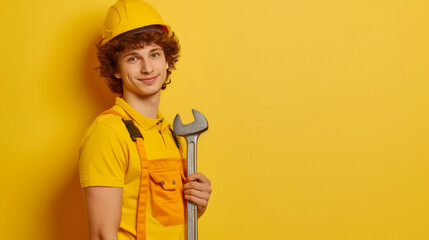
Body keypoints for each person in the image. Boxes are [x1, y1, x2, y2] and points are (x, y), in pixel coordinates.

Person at [79, 0, 212, 239]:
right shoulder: (108, 133)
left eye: (154, 54)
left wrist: (195, 206)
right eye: (133, 58)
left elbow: (160, 222)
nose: (148, 68)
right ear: (116, 69)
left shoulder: (172, 135)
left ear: (167, 60)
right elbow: (101, 235)